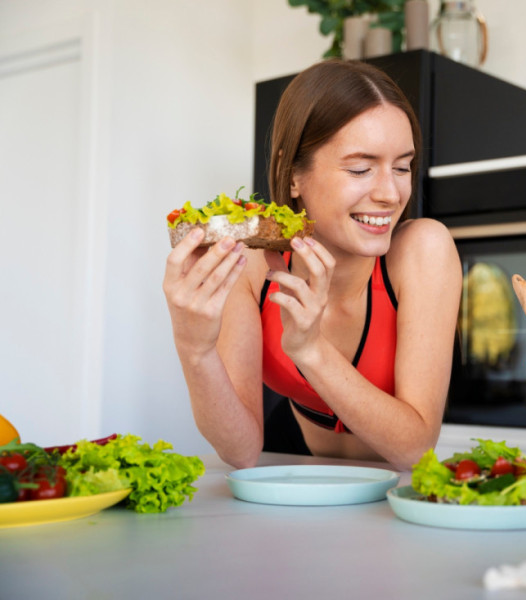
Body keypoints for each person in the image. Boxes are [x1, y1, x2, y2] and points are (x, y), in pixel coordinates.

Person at [163, 60, 462, 470]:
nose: (391, 194)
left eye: (402, 167)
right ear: (293, 177)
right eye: (360, 168)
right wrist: (194, 348)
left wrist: (310, 350)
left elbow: (415, 449)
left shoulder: (423, 250)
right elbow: (242, 451)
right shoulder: (251, 263)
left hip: (394, 485)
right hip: (295, 465)